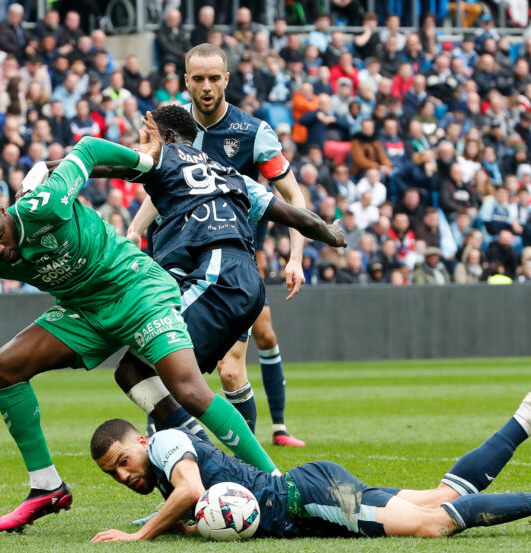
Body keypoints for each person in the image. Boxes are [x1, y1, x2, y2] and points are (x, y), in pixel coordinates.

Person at [0, 130, 280, 533]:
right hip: (85, 312)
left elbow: (90, 149)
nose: (1, 251)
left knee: (188, 389)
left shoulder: (46, 203)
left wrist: (147, 162)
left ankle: (274, 482)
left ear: (5, 214)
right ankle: (47, 486)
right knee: (4, 368)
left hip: (135, 290)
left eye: (0, 238)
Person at [92, 105, 344, 460]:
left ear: (164, 138)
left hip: (218, 277)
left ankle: (229, 466)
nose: (142, 145)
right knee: (191, 373)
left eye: (147, 137)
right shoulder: (229, 174)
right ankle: (223, 470)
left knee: (147, 369)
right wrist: (330, 235)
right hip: (237, 279)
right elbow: (293, 213)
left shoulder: (164, 161)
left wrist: (56, 170)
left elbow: (106, 163)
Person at [89, 388, 531, 542]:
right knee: (445, 497)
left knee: (431, 526)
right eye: (114, 473)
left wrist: (141, 536)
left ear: (138, 439)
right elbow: (187, 502)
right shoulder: (158, 466)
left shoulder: (164, 443)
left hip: (309, 499)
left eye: (122, 460)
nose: (124, 474)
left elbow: (189, 491)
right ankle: (526, 418)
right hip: (311, 492)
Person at [177, 43, 310, 446]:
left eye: (214, 78)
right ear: (186, 81)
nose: (206, 86)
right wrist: (134, 230)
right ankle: (179, 457)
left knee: (233, 369)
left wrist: (296, 257)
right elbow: (155, 189)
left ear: (226, 80)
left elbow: (294, 198)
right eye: (198, 79)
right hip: (180, 263)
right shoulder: (173, 128)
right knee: (171, 364)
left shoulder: (252, 133)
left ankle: (259, 450)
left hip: (234, 264)